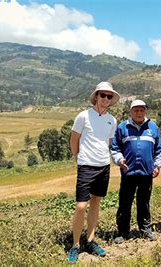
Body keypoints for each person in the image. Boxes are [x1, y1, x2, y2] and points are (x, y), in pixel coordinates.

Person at [67, 81, 119, 264]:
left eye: (109, 96)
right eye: (102, 95)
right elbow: (74, 140)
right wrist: (78, 157)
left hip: (104, 166)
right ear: (96, 96)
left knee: (96, 202)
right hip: (86, 166)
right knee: (81, 205)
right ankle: (75, 245)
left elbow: (109, 143)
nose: (105, 99)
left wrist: (115, 159)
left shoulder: (112, 120)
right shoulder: (83, 116)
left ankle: (90, 240)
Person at [111, 100, 161, 243]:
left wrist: (158, 166)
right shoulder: (123, 127)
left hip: (147, 173)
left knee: (144, 202)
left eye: (141, 110)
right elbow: (115, 148)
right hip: (128, 173)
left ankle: (145, 230)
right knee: (125, 203)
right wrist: (120, 160)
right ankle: (122, 232)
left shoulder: (152, 127)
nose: (139, 113)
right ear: (131, 112)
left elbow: (158, 149)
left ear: (145, 111)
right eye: (136, 110)